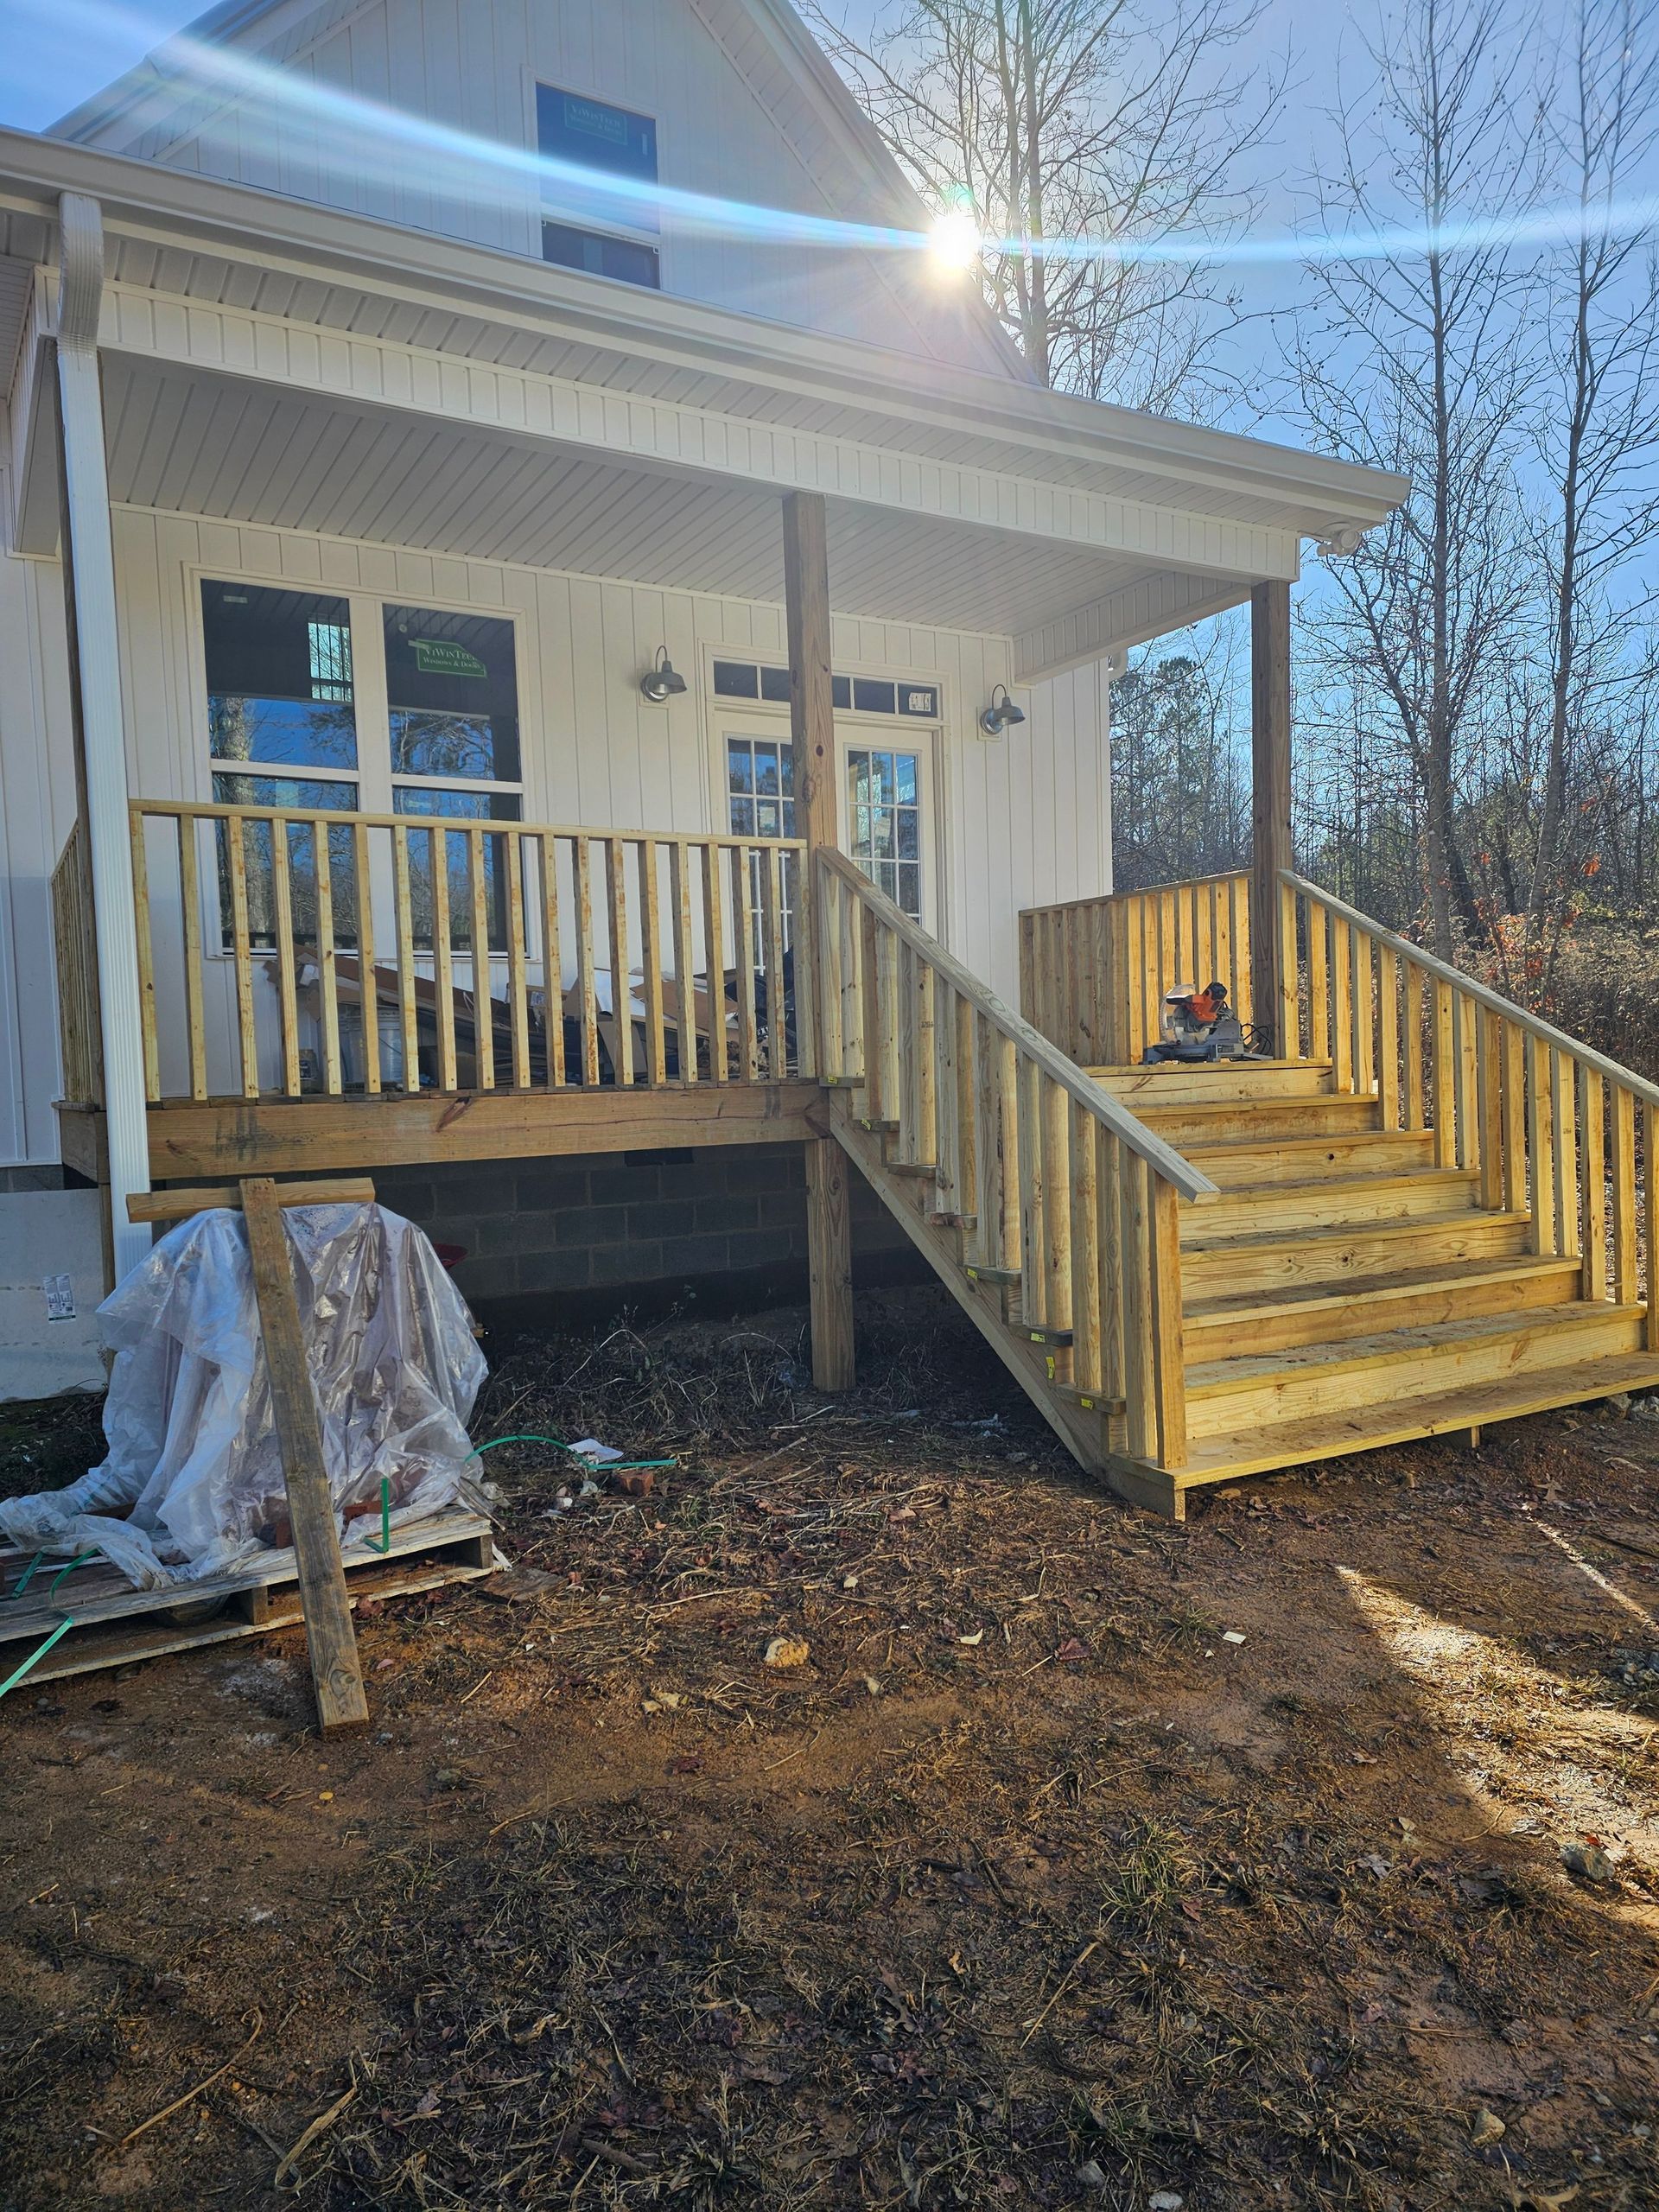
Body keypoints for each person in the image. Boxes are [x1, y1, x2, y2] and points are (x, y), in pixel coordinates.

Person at [1142, 980, 1231, 1064]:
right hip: (1193, 1031)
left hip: (1199, 1031)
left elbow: (1172, 1000)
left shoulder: (1206, 1003)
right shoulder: (1198, 1003)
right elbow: (1172, 1001)